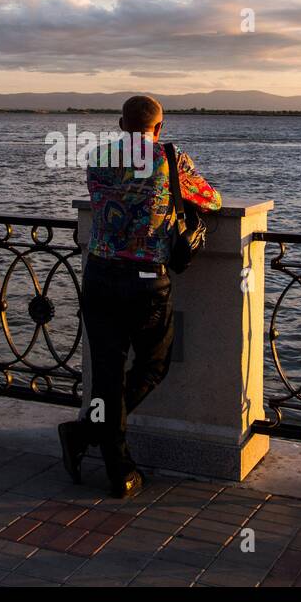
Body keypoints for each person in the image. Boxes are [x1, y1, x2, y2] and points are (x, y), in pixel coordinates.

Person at [58, 95, 221, 498]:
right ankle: (107, 456)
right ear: (159, 127)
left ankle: (97, 443)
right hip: (146, 279)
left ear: (119, 123)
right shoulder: (170, 157)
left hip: (98, 275)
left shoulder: (98, 157)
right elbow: (211, 199)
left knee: (108, 375)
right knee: (153, 364)